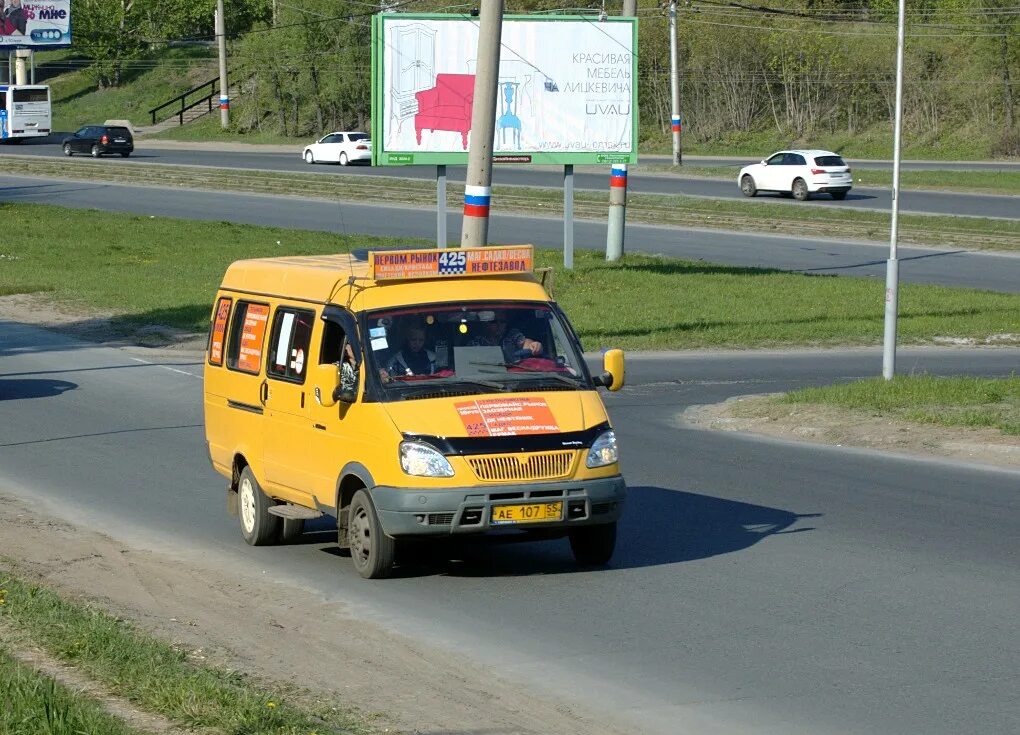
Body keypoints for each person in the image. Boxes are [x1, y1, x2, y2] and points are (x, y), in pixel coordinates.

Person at [468, 311, 542, 362]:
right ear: (486, 324)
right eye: (494, 322)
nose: (499, 325)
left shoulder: (511, 335)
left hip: (517, 376)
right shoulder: (475, 343)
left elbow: (524, 342)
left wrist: (533, 345)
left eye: (502, 321)